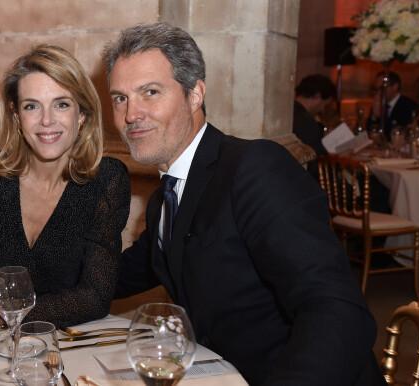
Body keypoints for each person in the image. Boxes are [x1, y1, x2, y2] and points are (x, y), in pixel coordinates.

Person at [101, 22, 385, 386]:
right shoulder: (164, 200)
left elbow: (338, 311)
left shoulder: (253, 167)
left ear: (195, 94)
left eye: (150, 92)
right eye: (120, 98)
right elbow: (115, 276)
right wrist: (26, 283)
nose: (130, 115)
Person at [0, 45, 131, 327]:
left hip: (60, 348)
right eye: (32, 106)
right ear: (16, 116)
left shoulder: (106, 181)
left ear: (82, 114)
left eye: (62, 104)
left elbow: (94, 297)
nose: (46, 120)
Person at [292, 74, 336, 178]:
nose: (322, 110)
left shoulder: (290, 110)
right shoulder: (307, 122)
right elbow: (314, 166)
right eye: (324, 104)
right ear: (317, 96)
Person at [367, 70, 417, 139]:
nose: (378, 92)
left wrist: (381, 116)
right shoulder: (378, 103)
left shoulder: (408, 105)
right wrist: (374, 117)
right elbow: (367, 133)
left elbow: (395, 133)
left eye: (382, 88)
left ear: (395, 86)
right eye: (376, 89)